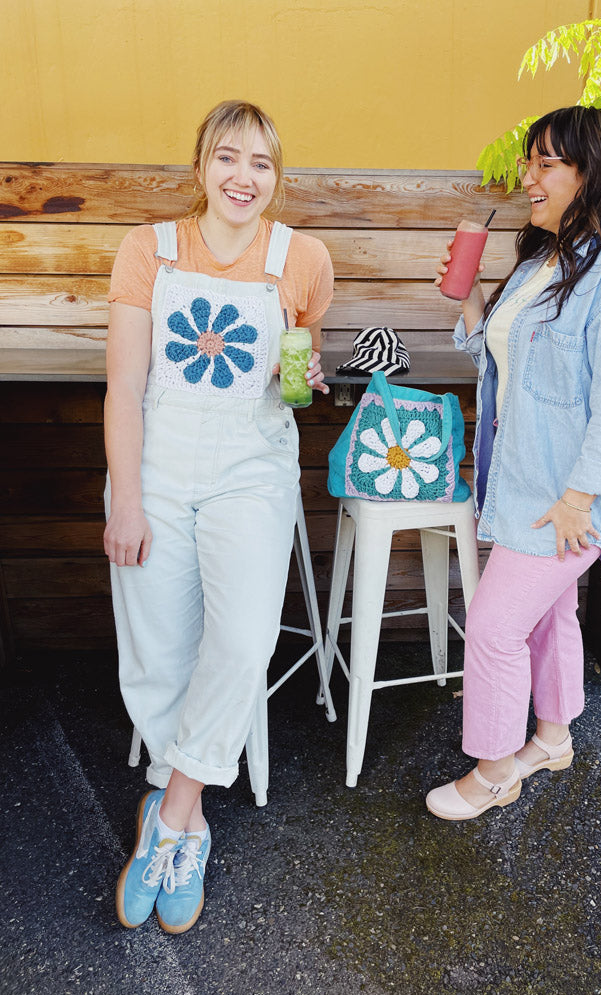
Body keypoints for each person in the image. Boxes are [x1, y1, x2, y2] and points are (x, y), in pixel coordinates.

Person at [103, 100, 333, 930]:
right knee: (159, 647)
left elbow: (294, 377)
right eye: (229, 159)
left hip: (250, 466)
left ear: (279, 175)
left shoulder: (302, 257)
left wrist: (308, 378)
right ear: (200, 165)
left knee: (242, 640)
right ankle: (190, 827)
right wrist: (126, 498)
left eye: (262, 164)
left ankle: (170, 810)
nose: (245, 178)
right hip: (156, 464)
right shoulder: (148, 249)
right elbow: (125, 387)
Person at [426, 106, 601, 820]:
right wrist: (470, 297)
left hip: (566, 495)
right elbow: (506, 368)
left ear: (588, 173)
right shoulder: (544, 260)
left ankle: (496, 769)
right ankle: (554, 737)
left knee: (498, 627)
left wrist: (581, 497)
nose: (528, 178)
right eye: (530, 163)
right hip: (523, 483)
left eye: (545, 164)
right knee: (549, 614)